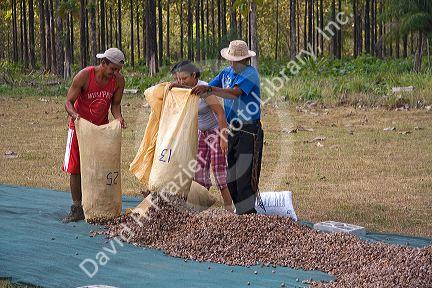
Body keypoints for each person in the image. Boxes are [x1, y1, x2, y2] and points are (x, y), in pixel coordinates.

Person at [191, 40, 263, 215]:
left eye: (235, 60)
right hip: (232, 129)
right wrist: (185, 86)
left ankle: (248, 216)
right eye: (231, 59)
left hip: (248, 131)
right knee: (231, 176)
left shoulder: (250, 74)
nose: (232, 63)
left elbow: (233, 93)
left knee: (244, 176)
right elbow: (205, 86)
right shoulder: (226, 73)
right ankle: (240, 213)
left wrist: (210, 89)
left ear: (244, 60)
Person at [62, 48, 127, 223]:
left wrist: (119, 118)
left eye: (118, 70)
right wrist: (76, 116)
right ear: (103, 63)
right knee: (76, 168)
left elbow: (115, 105)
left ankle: (97, 204)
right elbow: (68, 102)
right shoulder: (84, 76)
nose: (115, 73)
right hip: (79, 128)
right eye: (113, 69)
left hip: (100, 129)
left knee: (100, 167)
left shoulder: (118, 81)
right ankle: (76, 208)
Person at [170, 60, 234, 211]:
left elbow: (220, 113)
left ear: (194, 75)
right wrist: (175, 85)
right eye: (178, 79)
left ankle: (230, 210)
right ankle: (199, 208)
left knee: (219, 173)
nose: (181, 82)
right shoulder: (185, 88)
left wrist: (224, 139)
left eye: (184, 79)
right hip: (201, 133)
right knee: (198, 173)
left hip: (216, 132)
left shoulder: (204, 90)